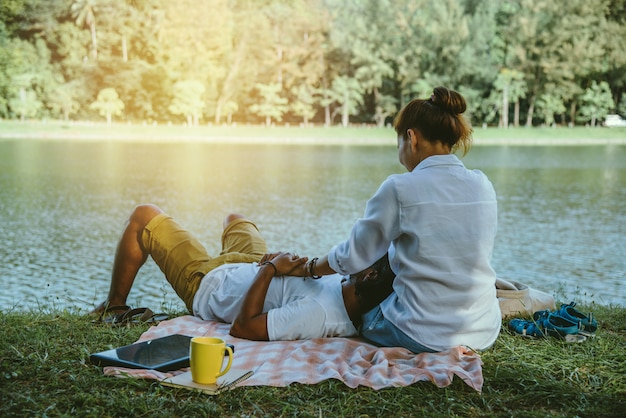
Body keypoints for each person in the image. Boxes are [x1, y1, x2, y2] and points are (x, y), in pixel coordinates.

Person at [290, 86, 502, 353]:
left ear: (411, 138)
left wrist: (308, 269)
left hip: (424, 334)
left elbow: (353, 257)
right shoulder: (483, 184)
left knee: (355, 306)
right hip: (483, 330)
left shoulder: (400, 188)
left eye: (399, 141)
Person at [91, 204, 395, 341]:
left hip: (208, 283)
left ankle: (115, 305)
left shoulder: (319, 314)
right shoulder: (345, 290)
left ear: (368, 276)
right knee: (235, 218)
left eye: (365, 257)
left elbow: (244, 328)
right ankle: (216, 251)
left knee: (144, 216)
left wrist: (271, 269)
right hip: (248, 264)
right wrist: (286, 264)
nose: (356, 256)